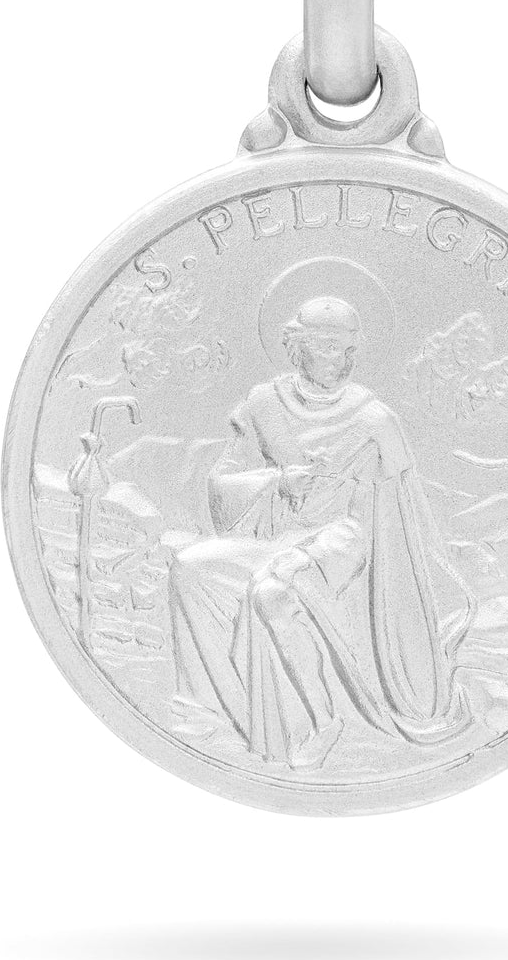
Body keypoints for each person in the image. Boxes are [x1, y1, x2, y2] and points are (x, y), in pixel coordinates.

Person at [168, 296, 470, 768]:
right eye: (328, 347)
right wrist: (275, 481)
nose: (342, 360)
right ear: (296, 347)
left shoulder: (374, 419)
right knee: (188, 567)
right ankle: (213, 709)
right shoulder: (263, 405)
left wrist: (323, 544)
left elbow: (397, 514)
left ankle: (323, 721)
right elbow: (222, 483)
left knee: (272, 593)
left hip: (344, 539)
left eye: (349, 349)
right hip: (277, 537)